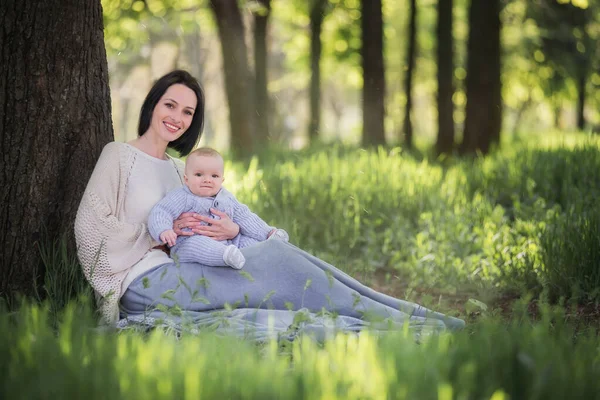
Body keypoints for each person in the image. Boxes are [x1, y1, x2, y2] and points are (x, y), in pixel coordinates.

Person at [75, 69, 465, 335]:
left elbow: (219, 213)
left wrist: (231, 230)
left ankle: (411, 316)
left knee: (281, 257)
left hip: (187, 269)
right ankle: (411, 322)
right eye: (170, 105)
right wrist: (159, 237)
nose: (177, 117)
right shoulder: (118, 156)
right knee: (279, 265)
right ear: (153, 104)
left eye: (188, 111)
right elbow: (90, 228)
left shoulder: (182, 170)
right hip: (146, 284)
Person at [147, 147, 289, 270]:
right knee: (198, 244)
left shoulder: (226, 197)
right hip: (188, 243)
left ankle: (270, 245)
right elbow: (161, 211)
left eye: (214, 176)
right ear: (186, 179)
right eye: (199, 174)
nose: (207, 179)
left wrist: (267, 232)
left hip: (230, 242)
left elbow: (245, 217)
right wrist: (163, 230)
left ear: (222, 180)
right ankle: (225, 256)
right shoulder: (182, 196)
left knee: (251, 243)